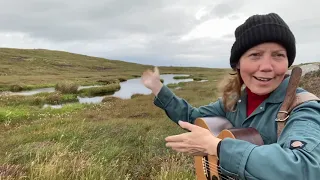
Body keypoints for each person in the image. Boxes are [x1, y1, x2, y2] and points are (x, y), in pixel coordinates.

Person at [141, 12, 320, 180]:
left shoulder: (303, 107)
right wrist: (158, 88)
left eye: (278, 55)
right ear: (238, 65)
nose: (266, 66)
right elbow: (193, 118)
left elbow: (305, 167)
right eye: (255, 55)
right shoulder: (234, 101)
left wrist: (217, 147)